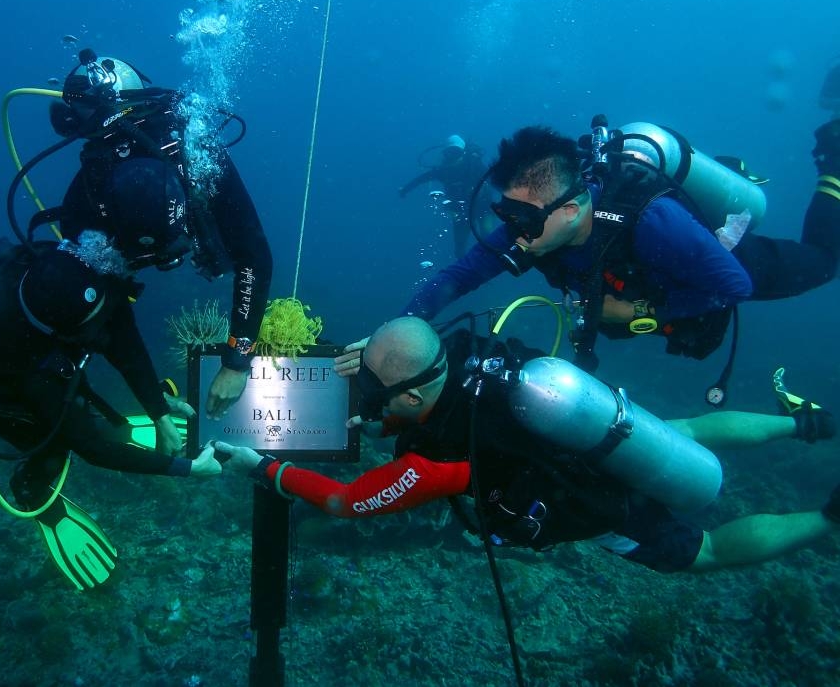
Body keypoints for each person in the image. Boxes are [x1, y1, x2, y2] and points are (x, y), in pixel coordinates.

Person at [217, 317, 839, 574]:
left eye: (375, 393)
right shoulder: (459, 352)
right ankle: (805, 425)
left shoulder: (439, 462)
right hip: (600, 429)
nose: (367, 403)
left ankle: (829, 516)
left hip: (595, 499)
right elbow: (402, 372)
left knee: (705, 550)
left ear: (409, 397)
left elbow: (346, 502)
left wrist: (262, 467)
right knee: (685, 432)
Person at [0, 231, 223, 589]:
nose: (95, 317)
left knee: (72, 392)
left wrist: (157, 407)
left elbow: (118, 335)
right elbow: (91, 450)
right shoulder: (18, 353)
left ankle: (113, 427)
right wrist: (186, 469)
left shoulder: (48, 276)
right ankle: (35, 491)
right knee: (58, 443)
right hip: (16, 391)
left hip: (47, 369)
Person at [400, 121, 840, 371]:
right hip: (652, 274)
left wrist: (636, 313)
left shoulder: (653, 223)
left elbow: (733, 287)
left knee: (824, 261)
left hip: (729, 259)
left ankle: (833, 167)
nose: (513, 232)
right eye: (506, 216)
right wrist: (400, 328)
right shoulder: (535, 221)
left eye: (524, 219)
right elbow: (460, 275)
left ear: (571, 209)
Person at [36, 49, 273, 418]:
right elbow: (110, 312)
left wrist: (237, 360)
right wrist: (155, 406)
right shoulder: (86, 200)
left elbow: (252, 255)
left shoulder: (196, 156)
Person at [398, 135, 487, 258]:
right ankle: (466, 272)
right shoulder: (442, 171)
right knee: (459, 248)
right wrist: (405, 189)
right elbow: (422, 179)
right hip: (460, 210)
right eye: (449, 152)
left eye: (456, 152)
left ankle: (489, 265)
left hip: (482, 206)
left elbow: (495, 179)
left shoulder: (474, 165)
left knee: (488, 238)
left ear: (464, 152)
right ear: (444, 154)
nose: (452, 156)